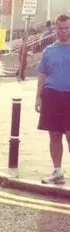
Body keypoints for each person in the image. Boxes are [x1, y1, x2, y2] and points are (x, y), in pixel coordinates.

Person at [35, 14, 70, 185]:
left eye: (66, 28)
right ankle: (57, 171)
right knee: (55, 135)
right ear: (56, 29)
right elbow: (42, 74)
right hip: (52, 96)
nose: (63, 31)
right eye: (60, 28)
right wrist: (38, 97)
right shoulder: (49, 51)